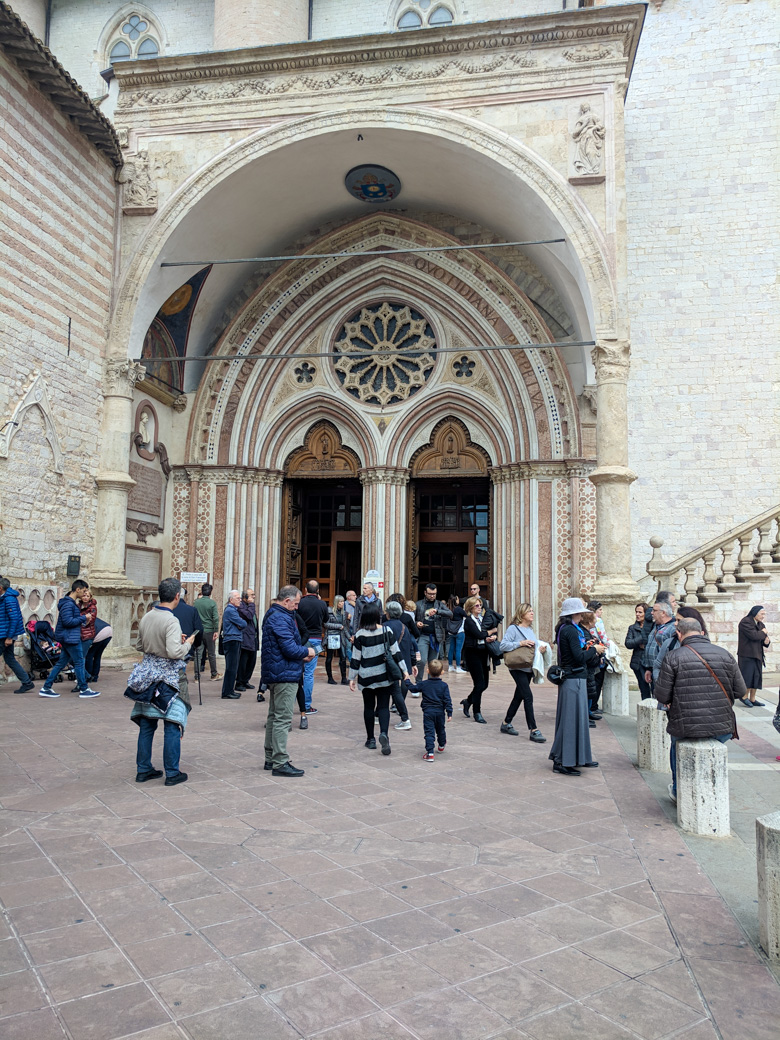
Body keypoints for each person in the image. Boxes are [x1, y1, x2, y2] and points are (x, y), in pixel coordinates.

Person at [655, 616, 743, 803]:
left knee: (676, 749)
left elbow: (662, 696)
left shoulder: (673, 657)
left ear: (679, 633)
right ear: (702, 632)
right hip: (721, 726)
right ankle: (711, 793)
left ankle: (679, 791)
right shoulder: (725, 654)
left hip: (685, 726)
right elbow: (741, 691)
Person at [131, 577, 196, 786]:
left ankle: (143, 769)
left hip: (148, 674)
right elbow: (174, 652)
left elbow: (140, 645)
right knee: (172, 723)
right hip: (168, 677)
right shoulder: (171, 620)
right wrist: (188, 644)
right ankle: (172, 772)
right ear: (177, 596)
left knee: (147, 724)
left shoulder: (148, 615)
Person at [261, 586, 315, 776]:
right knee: (282, 718)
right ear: (286, 601)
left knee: (274, 716)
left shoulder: (274, 615)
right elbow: (289, 648)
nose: (297, 607)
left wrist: (301, 655)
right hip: (284, 674)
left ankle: (271, 757)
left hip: (278, 671)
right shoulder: (280, 617)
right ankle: (280, 761)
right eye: (296, 603)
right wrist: (307, 652)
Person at [548, 597, 602, 776]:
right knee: (571, 721)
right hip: (573, 679)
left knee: (577, 720)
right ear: (575, 613)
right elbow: (578, 657)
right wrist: (595, 650)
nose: (582, 615)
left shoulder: (570, 629)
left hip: (574, 679)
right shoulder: (570, 630)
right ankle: (563, 760)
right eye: (580, 612)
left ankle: (579, 757)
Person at [349, 602, 408, 755]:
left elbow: (356, 658)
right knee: (383, 707)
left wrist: (351, 678)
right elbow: (396, 653)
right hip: (384, 676)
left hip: (366, 676)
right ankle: (384, 734)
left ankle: (371, 739)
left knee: (368, 707)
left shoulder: (360, 635)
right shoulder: (387, 631)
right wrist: (405, 671)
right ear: (377, 616)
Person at [38, 581, 99, 698]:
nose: (85, 593)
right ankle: (84, 689)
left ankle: (46, 687)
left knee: (61, 663)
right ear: (78, 590)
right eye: (84, 590)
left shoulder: (70, 603)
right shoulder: (68, 604)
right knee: (79, 662)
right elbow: (67, 621)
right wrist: (83, 618)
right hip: (70, 637)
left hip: (69, 636)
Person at [498, 602, 547, 742]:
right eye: (529, 611)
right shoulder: (513, 629)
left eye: (532, 610)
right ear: (522, 614)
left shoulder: (530, 630)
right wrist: (520, 643)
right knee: (528, 697)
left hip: (528, 666)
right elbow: (503, 645)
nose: (532, 613)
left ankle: (506, 723)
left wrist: (540, 650)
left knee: (519, 696)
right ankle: (534, 730)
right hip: (517, 667)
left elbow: (531, 648)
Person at [405, 659, 453, 760]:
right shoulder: (444, 686)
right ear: (442, 672)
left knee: (429, 732)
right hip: (440, 712)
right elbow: (447, 700)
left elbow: (413, 689)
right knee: (441, 729)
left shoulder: (424, 684)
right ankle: (441, 744)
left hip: (428, 712)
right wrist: (449, 713)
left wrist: (407, 681)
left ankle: (430, 753)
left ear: (428, 671)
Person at [460, 595, 497, 723]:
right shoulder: (469, 621)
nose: (479, 607)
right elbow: (479, 634)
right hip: (473, 653)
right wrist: (491, 632)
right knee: (479, 684)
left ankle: (468, 701)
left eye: (480, 605)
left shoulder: (482, 619)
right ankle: (477, 712)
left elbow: (485, 634)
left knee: (485, 684)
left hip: (483, 653)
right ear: (470, 608)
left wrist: (492, 637)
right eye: (477, 605)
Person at [297, 580, 328, 714]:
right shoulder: (321, 604)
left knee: (296, 670)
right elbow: (326, 620)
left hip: (300, 638)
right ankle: (306, 704)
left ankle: (293, 697)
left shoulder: (300, 603)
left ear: (305, 590)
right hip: (315, 639)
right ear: (318, 591)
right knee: (309, 673)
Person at [385, 600, 417, 730]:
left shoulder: (385, 626)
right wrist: (413, 663)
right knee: (402, 684)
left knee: (392, 689)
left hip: (390, 662)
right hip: (404, 659)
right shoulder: (404, 626)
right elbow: (410, 645)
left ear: (388, 613)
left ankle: (404, 717)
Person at [0, 576, 34, 693]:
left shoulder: (8, 599)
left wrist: (9, 638)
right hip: (4, 634)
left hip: (5, 635)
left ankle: (27, 682)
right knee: (9, 659)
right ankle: (27, 682)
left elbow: (14, 619)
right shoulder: (4, 597)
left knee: (9, 659)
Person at [415, 583, 452, 678]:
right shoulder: (418, 604)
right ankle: (419, 682)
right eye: (430, 593)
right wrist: (417, 623)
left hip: (436, 637)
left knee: (433, 663)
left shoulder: (439, 604)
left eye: (434, 594)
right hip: (423, 635)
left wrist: (438, 611)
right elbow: (412, 618)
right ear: (425, 593)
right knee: (421, 660)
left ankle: (431, 683)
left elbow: (450, 613)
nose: (432, 596)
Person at [737, 606, 771, 707]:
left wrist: (766, 642)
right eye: (762, 614)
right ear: (755, 613)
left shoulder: (760, 624)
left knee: (756, 677)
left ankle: (752, 699)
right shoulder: (745, 622)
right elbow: (754, 636)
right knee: (747, 676)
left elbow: (762, 637)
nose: (763, 616)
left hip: (757, 654)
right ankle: (744, 696)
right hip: (747, 654)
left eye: (764, 614)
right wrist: (763, 633)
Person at [643, 598, 677, 690]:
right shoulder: (656, 626)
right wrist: (649, 668)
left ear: (663, 613)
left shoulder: (673, 628)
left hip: (664, 672)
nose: (651, 613)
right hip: (654, 669)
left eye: (654, 610)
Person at [221, 590, 246, 699]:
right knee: (231, 667)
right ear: (231, 600)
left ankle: (229, 690)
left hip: (234, 639)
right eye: (237, 598)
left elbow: (241, 624)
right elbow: (243, 623)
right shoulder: (231, 610)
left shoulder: (233, 610)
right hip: (232, 640)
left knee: (233, 667)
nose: (240, 600)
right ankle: (227, 692)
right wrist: (240, 624)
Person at [625, 603, 654, 699]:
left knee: (654, 688)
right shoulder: (632, 628)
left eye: (640, 612)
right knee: (643, 688)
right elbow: (628, 643)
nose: (637, 614)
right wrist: (642, 638)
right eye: (636, 612)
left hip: (651, 661)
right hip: (638, 662)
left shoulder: (652, 627)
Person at [195, 583, 221, 681]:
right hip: (209, 630)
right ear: (210, 592)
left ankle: (197, 676)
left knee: (198, 653)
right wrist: (216, 630)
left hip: (199, 630)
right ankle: (214, 673)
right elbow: (215, 618)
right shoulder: (212, 603)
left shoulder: (196, 602)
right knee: (211, 653)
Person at [236, 589, 259, 691]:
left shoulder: (249, 606)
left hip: (252, 638)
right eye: (251, 595)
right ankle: (239, 682)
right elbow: (249, 616)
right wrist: (251, 605)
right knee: (243, 662)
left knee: (251, 661)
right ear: (245, 597)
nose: (253, 597)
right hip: (245, 639)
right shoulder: (241, 606)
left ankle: (246, 681)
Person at [324, 595, 349, 685]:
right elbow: (326, 624)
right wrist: (338, 626)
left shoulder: (343, 613)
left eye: (343, 601)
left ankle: (343, 678)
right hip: (331, 637)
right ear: (336, 602)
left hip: (341, 637)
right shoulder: (329, 611)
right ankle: (330, 677)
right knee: (329, 658)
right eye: (340, 602)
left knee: (343, 657)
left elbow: (345, 627)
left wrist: (349, 637)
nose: (342, 603)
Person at [84, 618, 112, 683]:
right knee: (97, 656)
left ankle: (88, 675)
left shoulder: (81, 618)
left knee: (89, 655)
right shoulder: (90, 616)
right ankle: (95, 676)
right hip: (108, 630)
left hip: (100, 633)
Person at [445, 594, 467, 673]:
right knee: (458, 650)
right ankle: (458, 667)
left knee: (451, 649)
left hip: (451, 631)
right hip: (459, 631)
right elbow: (466, 615)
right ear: (455, 600)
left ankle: (450, 666)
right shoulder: (459, 609)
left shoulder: (448, 609)